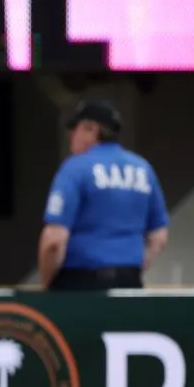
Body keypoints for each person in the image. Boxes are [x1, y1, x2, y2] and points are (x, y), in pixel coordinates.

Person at [39, 97, 169, 291]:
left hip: (80, 283)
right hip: (130, 281)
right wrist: (133, 269)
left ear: (91, 129)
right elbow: (159, 237)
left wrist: (46, 284)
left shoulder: (75, 168)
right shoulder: (143, 169)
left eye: (75, 128)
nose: (71, 135)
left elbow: (54, 241)